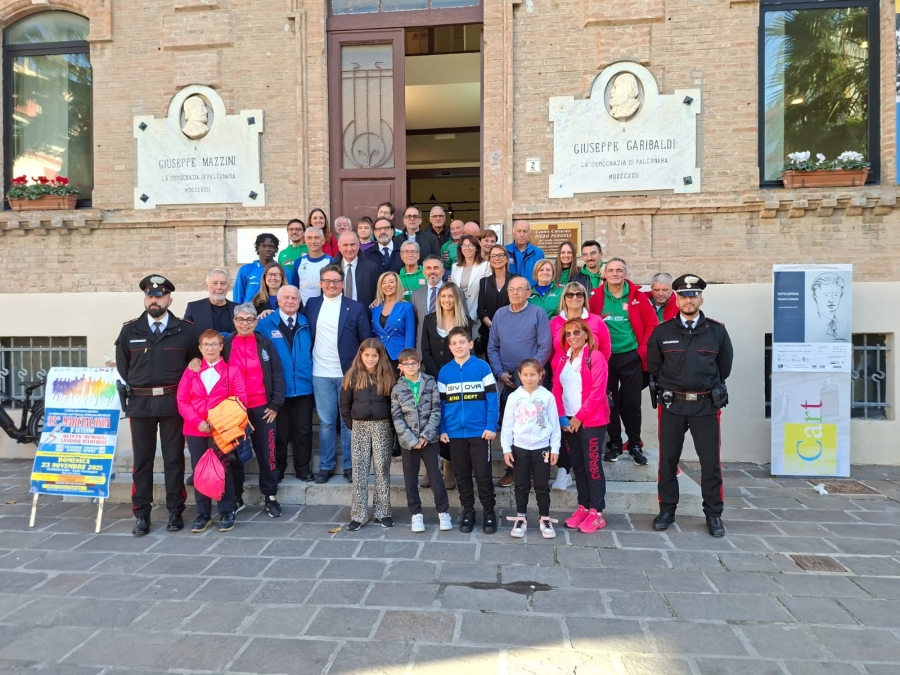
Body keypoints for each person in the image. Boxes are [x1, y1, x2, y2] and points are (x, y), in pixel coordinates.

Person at [647, 274, 733, 538]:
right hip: (673, 405)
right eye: (684, 296)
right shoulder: (663, 332)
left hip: (705, 406)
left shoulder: (717, 331)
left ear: (701, 299)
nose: (688, 300)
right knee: (667, 460)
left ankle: (713, 514)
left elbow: (724, 368)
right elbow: (654, 366)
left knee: (710, 462)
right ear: (677, 300)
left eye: (693, 295)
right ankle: (667, 510)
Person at [115, 274, 194, 536]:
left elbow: (193, 365)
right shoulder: (130, 330)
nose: (154, 300)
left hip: (173, 402)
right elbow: (124, 367)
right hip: (141, 403)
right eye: (150, 296)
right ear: (144, 299)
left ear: (170, 299)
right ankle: (142, 514)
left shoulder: (185, 330)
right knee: (142, 461)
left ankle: (175, 511)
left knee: (174, 459)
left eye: (159, 296)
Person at [303, 264, 373, 483]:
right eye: (327, 281)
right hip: (320, 373)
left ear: (342, 284)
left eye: (336, 281)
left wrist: (362, 371)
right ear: (320, 283)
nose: (331, 285)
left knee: (348, 421)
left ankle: (350, 466)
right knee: (326, 422)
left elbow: (366, 341)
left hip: (348, 374)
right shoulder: (312, 305)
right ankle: (326, 465)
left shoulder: (356, 307)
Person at [177, 329, 247, 533]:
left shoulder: (231, 371)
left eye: (214, 344)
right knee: (200, 471)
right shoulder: (191, 371)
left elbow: (240, 399)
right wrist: (197, 421)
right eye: (206, 345)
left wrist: (219, 421)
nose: (210, 348)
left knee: (223, 470)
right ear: (200, 348)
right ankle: (203, 513)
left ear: (221, 346)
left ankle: (227, 511)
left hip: (222, 431)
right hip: (196, 429)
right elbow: (182, 400)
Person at [589, 257, 656, 465]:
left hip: (630, 356)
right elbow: (588, 324)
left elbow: (652, 325)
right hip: (605, 358)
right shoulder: (596, 297)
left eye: (619, 270)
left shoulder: (638, 297)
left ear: (625, 273)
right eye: (611, 270)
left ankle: (635, 444)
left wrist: (641, 351)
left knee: (632, 403)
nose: (615, 274)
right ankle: (615, 444)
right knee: (609, 403)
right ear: (605, 274)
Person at [488, 274, 553, 487]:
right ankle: (513, 470)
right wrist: (500, 372)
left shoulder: (537, 313)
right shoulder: (499, 314)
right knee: (513, 425)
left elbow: (545, 346)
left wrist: (529, 374)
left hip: (531, 380)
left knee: (535, 424)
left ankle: (536, 472)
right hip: (507, 379)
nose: (515, 293)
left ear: (528, 293)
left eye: (520, 289)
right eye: (511, 289)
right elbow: (492, 346)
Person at [222, 303, 285, 517]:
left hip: (262, 408)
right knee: (235, 455)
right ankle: (236, 496)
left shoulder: (264, 343)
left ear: (256, 322)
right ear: (234, 321)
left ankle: (270, 496)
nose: (245, 323)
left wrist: (275, 404)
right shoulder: (225, 344)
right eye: (240, 319)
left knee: (267, 454)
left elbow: (277, 372)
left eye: (250, 319)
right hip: (234, 410)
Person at [548, 281, 611, 491]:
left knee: (591, 465)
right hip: (564, 380)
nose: (574, 297)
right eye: (570, 294)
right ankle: (576, 492)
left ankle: (596, 507)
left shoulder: (596, 322)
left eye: (579, 294)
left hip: (589, 388)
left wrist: (591, 369)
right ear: (564, 298)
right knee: (577, 460)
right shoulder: (555, 323)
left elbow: (606, 350)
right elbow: (551, 351)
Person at [438, 327, 499, 534]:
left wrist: (491, 425)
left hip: (480, 432)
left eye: (462, 342)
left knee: (483, 474)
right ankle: (468, 510)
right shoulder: (445, 372)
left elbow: (492, 398)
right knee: (462, 475)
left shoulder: (482, 367)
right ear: (450, 347)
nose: (458, 346)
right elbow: (440, 404)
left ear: (471, 344)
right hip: (454, 433)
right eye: (454, 343)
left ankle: (489, 511)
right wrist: (442, 429)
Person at [552, 317, 610, 534]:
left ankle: (597, 512)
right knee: (578, 466)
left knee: (592, 467)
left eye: (577, 332)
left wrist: (579, 417)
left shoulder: (595, 357)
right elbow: (556, 391)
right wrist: (562, 418)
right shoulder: (563, 359)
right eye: (568, 333)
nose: (572, 337)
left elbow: (597, 392)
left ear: (586, 334)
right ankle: (584, 507)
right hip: (569, 423)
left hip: (591, 421)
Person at [256, 286, 315, 482]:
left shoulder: (307, 322)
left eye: (294, 298)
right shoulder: (265, 324)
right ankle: (278, 468)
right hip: (278, 389)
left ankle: (303, 468)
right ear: (278, 301)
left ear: (299, 302)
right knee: (279, 432)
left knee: (303, 431)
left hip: (304, 387)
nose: (290, 301)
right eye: (286, 298)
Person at [391, 348, 452, 533]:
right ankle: (416, 514)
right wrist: (411, 439)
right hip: (408, 443)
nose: (411, 366)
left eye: (414, 363)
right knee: (410, 479)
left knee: (435, 477)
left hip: (429, 440)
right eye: (406, 363)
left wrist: (425, 435)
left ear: (419, 364)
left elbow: (436, 410)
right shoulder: (397, 388)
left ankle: (443, 512)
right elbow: (396, 417)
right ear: (400, 366)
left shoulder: (430, 382)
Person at [500, 358, 561, 539]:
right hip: (520, 448)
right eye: (525, 375)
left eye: (533, 374)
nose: (529, 378)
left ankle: (545, 518)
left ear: (540, 375)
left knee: (542, 484)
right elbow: (507, 425)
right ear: (519, 375)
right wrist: (506, 448)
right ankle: (521, 517)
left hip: (542, 448)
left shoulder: (547, 396)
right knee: (521, 484)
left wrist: (555, 448)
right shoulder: (514, 397)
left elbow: (555, 424)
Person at [340, 339, 396, 530]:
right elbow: (344, 404)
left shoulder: (388, 376)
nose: (370, 359)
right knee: (359, 471)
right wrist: (353, 425)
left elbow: (393, 404)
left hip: (382, 426)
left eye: (374, 355)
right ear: (361, 355)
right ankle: (358, 514)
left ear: (380, 356)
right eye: (367, 355)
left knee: (382, 470)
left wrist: (392, 428)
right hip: (359, 426)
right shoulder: (352, 376)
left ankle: (383, 511)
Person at [421, 282, 473, 379]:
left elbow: (468, 350)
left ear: (456, 298)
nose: (446, 300)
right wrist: (438, 375)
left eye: (451, 296)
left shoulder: (465, 321)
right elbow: (425, 351)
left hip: (457, 375)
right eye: (443, 296)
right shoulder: (429, 320)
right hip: (433, 376)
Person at [370, 271, 415, 366]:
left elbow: (410, 335)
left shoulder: (406, 306)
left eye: (391, 282)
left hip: (398, 356)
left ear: (397, 284)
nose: (387, 285)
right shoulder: (374, 307)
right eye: (384, 283)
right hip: (378, 356)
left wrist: (407, 359)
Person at [450, 234, 490, 337]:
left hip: (477, 314)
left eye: (470, 245)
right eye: (464, 245)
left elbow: (486, 293)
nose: (467, 248)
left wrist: (473, 316)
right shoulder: (455, 267)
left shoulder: (485, 266)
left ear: (476, 248)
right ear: (460, 249)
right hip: (458, 313)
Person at [183, 268, 237, 343]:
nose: (219, 287)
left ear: (228, 286)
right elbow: (186, 335)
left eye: (223, 283)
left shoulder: (238, 309)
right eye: (215, 283)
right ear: (207, 286)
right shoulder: (194, 308)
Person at [477, 245, 515, 352]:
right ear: (489, 259)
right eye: (493, 256)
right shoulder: (484, 282)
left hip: (511, 331)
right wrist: (492, 326)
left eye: (500, 255)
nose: (497, 258)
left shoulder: (516, 279)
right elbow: (480, 309)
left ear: (507, 259)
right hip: (489, 333)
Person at [290, 227, 333, 305]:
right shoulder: (299, 262)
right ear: (305, 241)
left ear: (323, 241)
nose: (313, 241)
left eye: (317, 238)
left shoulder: (331, 261)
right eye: (309, 238)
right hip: (303, 308)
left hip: (324, 307)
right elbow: (294, 287)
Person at [337, 231, 380, 308]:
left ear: (358, 245)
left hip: (364, 313)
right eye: (345, 245)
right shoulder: (331, 269)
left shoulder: (371, 268)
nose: (349, 249)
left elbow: (378, 293)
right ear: (339, 247)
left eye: (352, 244)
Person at [411, 255, 445, 353]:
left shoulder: (455, 291)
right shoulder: (416, 295)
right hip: (423, 347)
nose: (432, 271)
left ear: (443, 271)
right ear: (424, 272)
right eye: (428, 268)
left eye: (436, 268)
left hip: (447, 346)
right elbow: (413, 323)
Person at [234, 233, 279, 304]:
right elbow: (238, 295)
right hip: (250, 310)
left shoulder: (284, 271)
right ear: (257, 248)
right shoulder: (245, 270)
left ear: (276, 249)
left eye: (271, 246)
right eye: (263, 246)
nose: (267, 249)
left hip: (274, 310)